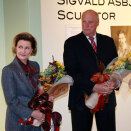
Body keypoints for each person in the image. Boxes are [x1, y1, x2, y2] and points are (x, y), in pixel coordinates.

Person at [63, 10, 119, 131]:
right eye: (84, 21)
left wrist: (114, 82)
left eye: (90, 22)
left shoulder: (108, 41)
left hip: (106, 99)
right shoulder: (71, 43)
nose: (86, 25)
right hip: (81, 100)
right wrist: (94, 87)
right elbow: (72, 72)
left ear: (97, 23)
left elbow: (116, 68)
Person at [1, 32, 45, 131]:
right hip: (18, 122)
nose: (23, 51)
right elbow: (11, 101)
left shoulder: (35, 66)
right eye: (20, 47)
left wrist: (47, 96)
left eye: (27, 48)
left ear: (32, 50)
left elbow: (39, 89)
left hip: (36, 123)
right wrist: (32, 113)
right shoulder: (8, 70)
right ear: (15, 48)